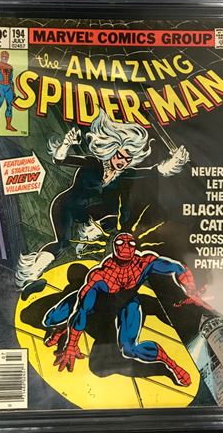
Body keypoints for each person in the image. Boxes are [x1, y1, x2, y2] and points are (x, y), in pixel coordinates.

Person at [15, 110, 189, 288]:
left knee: (115, 215)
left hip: (89, 212)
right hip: (66, 205)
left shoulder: (125, 173)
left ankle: (88, 235)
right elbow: (60, 160)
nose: (122, 161)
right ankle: (31, 276)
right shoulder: (92, 163)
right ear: (111, 150)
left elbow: (154, 171)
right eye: (120, 156)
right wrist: (66, 143)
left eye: (127, 159)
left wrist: (175, 162)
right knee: (62, 243)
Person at [42, 232, 209, 386]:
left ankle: (170, 364)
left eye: (130, 244)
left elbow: (178, 268)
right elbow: (82, 311)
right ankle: (61, 328)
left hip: (128, 304)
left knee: (129, 349)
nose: (126, 248)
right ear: (115, 248)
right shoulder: (100, 276)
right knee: (50, 319)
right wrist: (72, 345)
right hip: (98, 307)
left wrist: (191, 289)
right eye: (121, 243)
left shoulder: (143, 263)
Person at [0, 50, 17, 134]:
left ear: (8, 58)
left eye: (6, 56)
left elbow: (11, 80)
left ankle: (8, 125)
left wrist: (13, 92)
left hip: (8, 88)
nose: (4, 58)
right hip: (0, 88)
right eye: (3, 56)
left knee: (10, 107)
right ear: (1, 56)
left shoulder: (10, 67)